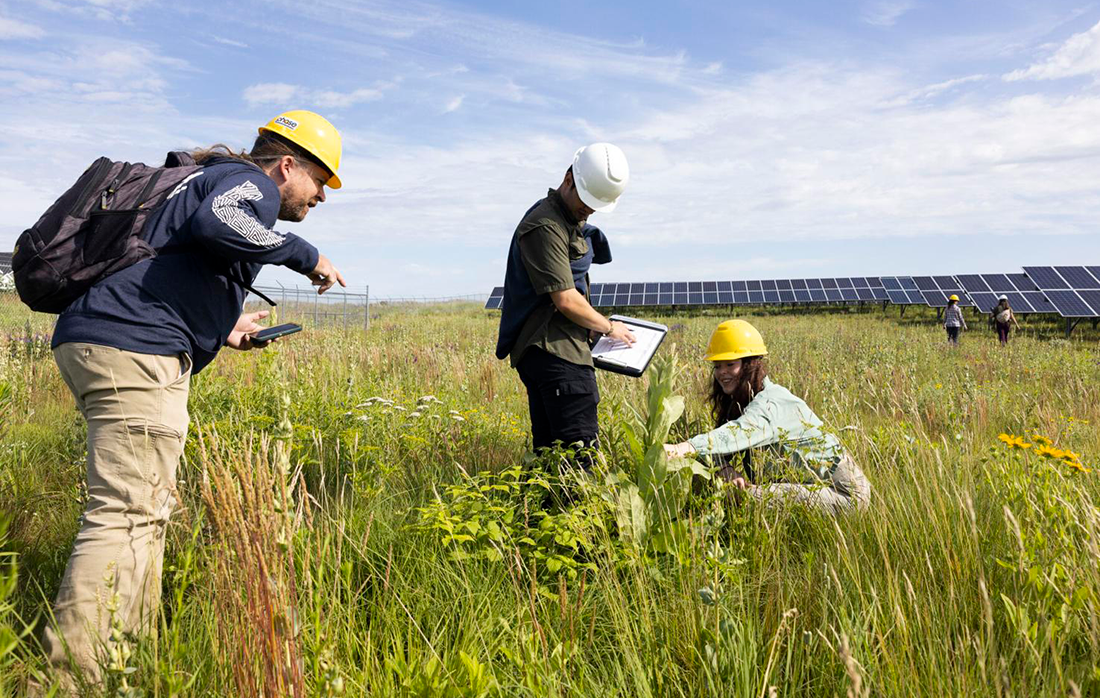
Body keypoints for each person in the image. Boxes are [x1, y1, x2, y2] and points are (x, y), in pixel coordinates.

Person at [43, 110, 347, 686]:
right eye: (320, 181)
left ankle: (127, 656)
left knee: (145, 513)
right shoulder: (248, 184)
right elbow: (219, 223)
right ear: (287, 164)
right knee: (126, 516)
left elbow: (173, 258)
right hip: (134, 347)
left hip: (114, 339)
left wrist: (225, 328)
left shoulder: (205, 178)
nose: (321, 198)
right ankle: (73, 679)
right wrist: (304, 254)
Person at [495, 143, 635, 458]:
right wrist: (609, 327)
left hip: (557, 349)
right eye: (587, 201)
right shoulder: (545, 225)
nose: (590, 210)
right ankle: (576, 509)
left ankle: (542, 508)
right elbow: (566, 300)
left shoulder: (567, 220)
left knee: (550, 458)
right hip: (555, 352)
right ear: (568, 179)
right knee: (578, 458)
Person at [664, 320, 871, 514]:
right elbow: (722, 442)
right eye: (717, 366)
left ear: (749, 365)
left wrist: (684, 448)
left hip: (845, 492)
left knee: (743, 497)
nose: (722, 373)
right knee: (732, 485)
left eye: (730, 364)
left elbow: (738, 433)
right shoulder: (745, 398)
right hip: (813, 480)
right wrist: (725, 468)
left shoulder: (770, 402)